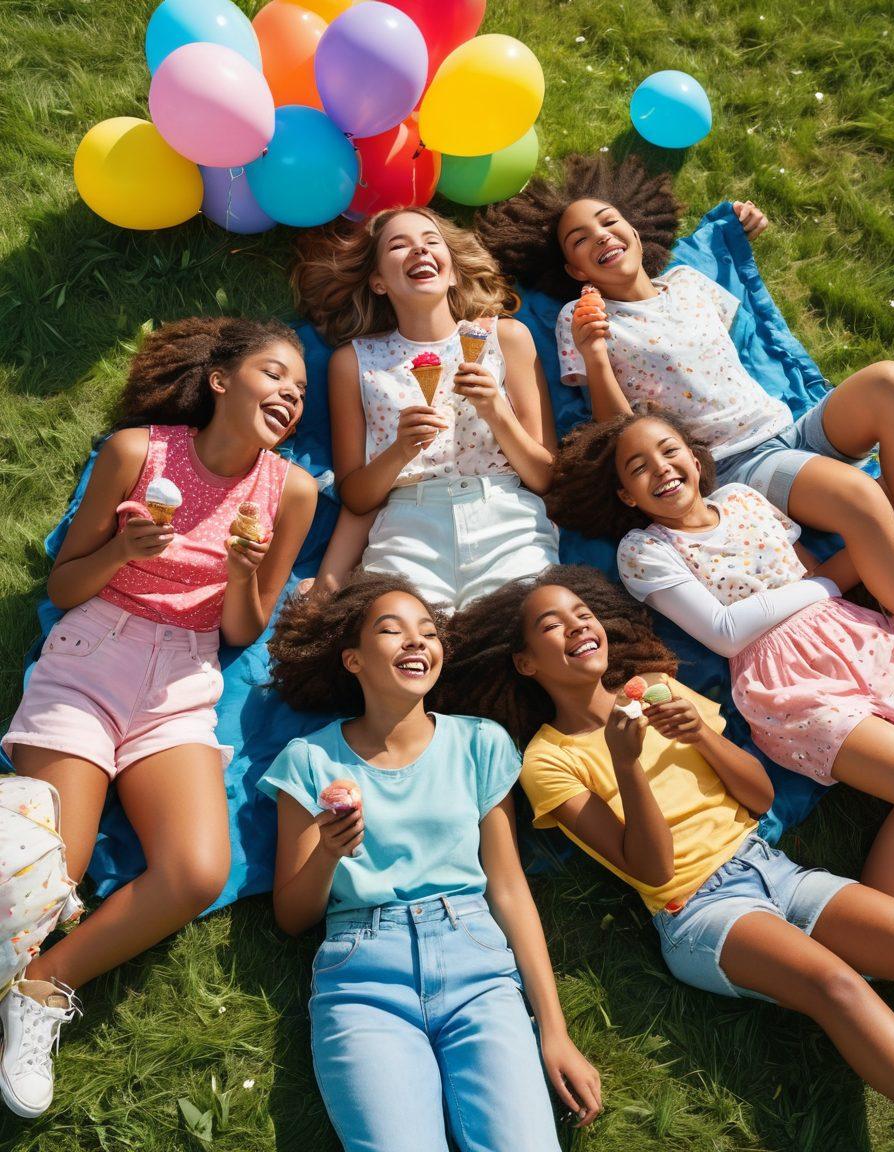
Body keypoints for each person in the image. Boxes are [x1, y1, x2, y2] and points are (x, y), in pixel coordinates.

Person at [0, 317, 318, 1118]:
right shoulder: (138, 454)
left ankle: (43, 987)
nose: (291, 392)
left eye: (302, 390)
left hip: (183, 681)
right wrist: (121, 552)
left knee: (196, 872)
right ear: (221, 380)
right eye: (276, 374)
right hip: (93, 652)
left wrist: (245, 574)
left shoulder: (295, 493)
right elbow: (65, 586)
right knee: (49, 877)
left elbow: (243, 629)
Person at [439, 564, 894, 1100]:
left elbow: (760, 799)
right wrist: (626, 764)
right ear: (525, 662)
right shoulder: (547, 760)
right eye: (551, 625)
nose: (577, 626)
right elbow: (652, 870)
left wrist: (702, 733)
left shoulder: (655, 688)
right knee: (834, 985)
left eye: (583, 614)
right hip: (701, 909)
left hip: (772, 867)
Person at [259, 572, 602, 1151]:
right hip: (363, 976)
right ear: (353, 660)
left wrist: (555, 1031)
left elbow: (510, 889)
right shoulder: (310, 759)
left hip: (480, 967)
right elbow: (292, 916)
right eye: (392, 631)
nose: (417, 642)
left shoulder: (480, 744)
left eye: (428, 631)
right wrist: (328, 852)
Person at [476, 152, 894, 611]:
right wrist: (595, 355)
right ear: (577, 271)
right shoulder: (580, 320)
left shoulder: (688, 282)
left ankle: (882, 534)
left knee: (887, 382)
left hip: (790, 427)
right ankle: (880, 538)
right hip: (737, 463)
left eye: (608, 222)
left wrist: (734, 231)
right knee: (860, 497)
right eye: (580, 239)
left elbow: (743, 339)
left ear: (635, 233)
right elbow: (621, 434)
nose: (601, 236)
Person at [548, 410, 894, 894]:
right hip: (787, 681)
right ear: (627, 495)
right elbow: (727, 632)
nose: (662, 468)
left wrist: (848, 558)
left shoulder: (741, 498)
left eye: (669, 452)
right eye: (639, 467)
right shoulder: (643, 549)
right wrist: (821, 588)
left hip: (855, 637)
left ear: (694, 458)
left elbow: (814, 569)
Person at [290, 207, 559, 610]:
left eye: (431, 242)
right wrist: (400, 451)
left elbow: (544, 476)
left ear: (452, 270)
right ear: (378, 282)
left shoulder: (507, 337)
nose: (419, 249)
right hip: (406, 529)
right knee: (405, 654)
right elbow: (357, 497)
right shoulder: (354, 362)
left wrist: (495, 410)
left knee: (520, 641)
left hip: (507, 521)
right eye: (399, 245)